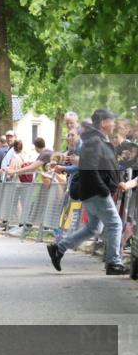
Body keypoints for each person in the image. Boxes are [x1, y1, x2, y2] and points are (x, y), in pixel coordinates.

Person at [47, 109, 137, 275]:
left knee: (94, 228)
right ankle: (113, 263)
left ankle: (59, 248)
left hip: (91, 191)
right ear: (103, 122)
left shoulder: (96, 140)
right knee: (115, 224)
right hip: (96, 192)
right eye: (111, 121)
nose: (113, 124)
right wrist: (103, 189)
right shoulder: (95, 141)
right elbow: (91, 169)